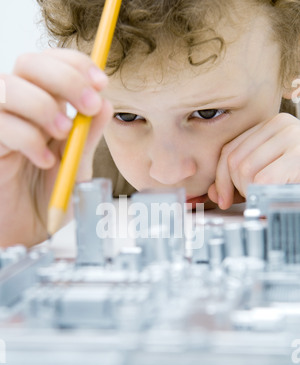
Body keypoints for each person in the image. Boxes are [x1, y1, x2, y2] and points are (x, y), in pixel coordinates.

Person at [1, 0, 300, 247]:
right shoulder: (64, 172)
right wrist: (10, 236)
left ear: (293, 62)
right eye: (127, 117)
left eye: (208, 113)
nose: (167, 174)